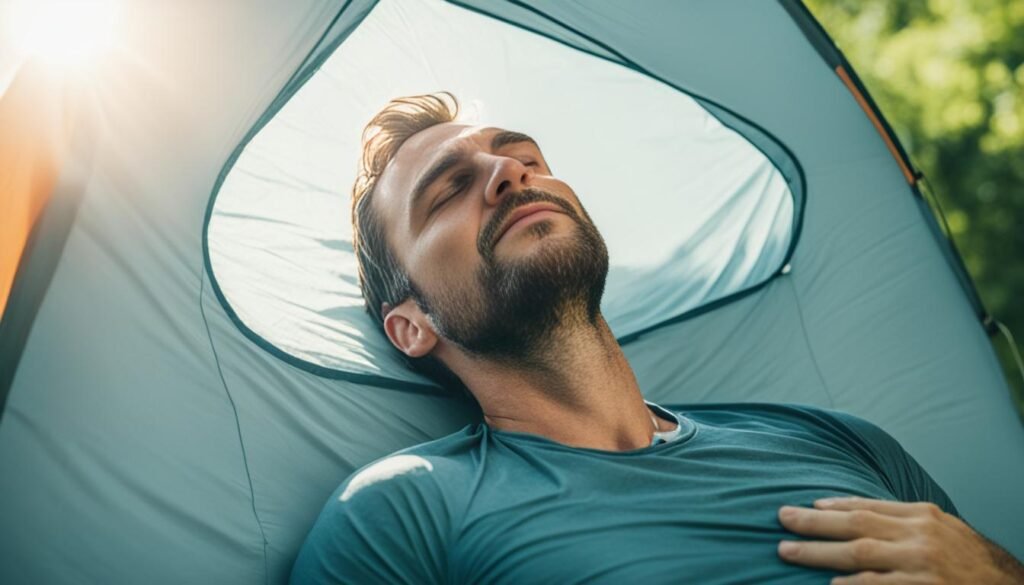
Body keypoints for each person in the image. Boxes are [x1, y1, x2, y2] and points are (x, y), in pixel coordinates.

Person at [291, 92, 1023, 584]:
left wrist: (993, 568)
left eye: (526, 157)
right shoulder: (403, 515)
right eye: (447, 190)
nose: (507, 172)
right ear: (411, 325)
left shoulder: (839, 441)